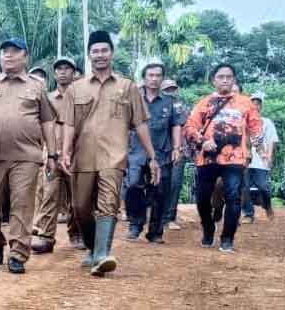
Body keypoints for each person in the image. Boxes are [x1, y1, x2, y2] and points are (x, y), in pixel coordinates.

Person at [62, 30, 158, 276]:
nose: (100, 55)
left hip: (114, 157)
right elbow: (69, 124)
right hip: (82, 157)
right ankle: (94, 249)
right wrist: (64, 151)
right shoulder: (75, 88)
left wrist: (152, 156)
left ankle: (102, 254)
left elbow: (141, 123)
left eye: (105, 50)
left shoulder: (127, 87)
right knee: (80, 207)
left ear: (112, 53)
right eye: (95, 51)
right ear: (89, 55)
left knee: (108, 204)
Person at [0, 38, 60, 274]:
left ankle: (18, 253)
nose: (8, 55)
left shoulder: (36, 86)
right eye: (4, 52)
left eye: (14, 52)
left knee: (22, 204)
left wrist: (52, 154)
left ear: (25, 57)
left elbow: (48, 121)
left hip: (26, 157)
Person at [184, 63, 263, 253]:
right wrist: (202, 141)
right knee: (202, 198)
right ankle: (208, 228)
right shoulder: (204, 103)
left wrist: (257, 140)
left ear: (234, 79)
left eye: (229, 77)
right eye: (221, 77)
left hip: (235, 159)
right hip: (208, 158)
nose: (225, 80)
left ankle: (227, 238)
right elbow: (190, 127)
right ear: (214, 80)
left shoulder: (246, 103)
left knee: (233, 197)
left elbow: (256, 127)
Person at [124, 62, 184, 244]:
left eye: (158, 75)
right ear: (144, 78)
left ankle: (155, 232)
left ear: (162, 78)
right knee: (133, 187)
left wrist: (177, 148)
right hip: (135, 153)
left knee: (159, 193)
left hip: (162, 153)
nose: (154, 79)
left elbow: (176, 126)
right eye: (150, 75)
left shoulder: (171, 102)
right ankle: (135, 224)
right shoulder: (132, 100)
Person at [31, 56, 85, 254]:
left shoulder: (81, 98)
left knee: (77, 198)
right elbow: (40, 126)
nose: (63, 72)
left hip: (76, 154)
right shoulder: (47, 99)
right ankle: (46, 237)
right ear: (54, 74)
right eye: (59, 69)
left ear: (73, 72)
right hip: (52, 153)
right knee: (49, 194)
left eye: (67, 68)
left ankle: (76, 232)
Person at [241, 91, 278, 224]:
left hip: (261, 160)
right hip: (245, 160)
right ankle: (248, 214)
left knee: (263, 186)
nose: (255, 106)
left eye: (258, 104)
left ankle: (267, 206)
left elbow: (272, 140)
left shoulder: (267, 122)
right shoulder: (243, 122)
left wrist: (269, 156)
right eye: (253, 104)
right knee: (244, 187)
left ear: (261, 107)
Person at [161, 79, 192, 231]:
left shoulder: (184, 108)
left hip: (179, 151)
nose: (170, 92)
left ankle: (169, 217)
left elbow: (189, 129)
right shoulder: (155, 107)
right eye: (167, 89)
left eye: (173, 89)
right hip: (159, 151)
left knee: (174, 184)